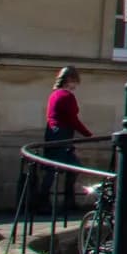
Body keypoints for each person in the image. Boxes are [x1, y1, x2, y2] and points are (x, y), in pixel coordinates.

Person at [39, 66, 94, 210]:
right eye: (75, 81)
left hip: (53, 134)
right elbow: (72, 119)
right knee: (63, 168)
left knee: (62, 168)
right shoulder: (66, 96)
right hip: (61, 135)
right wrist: (88, 134)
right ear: (70, 80)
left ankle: (52, 201)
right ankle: (49, 202)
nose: (76, 85)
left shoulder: (55, 94)